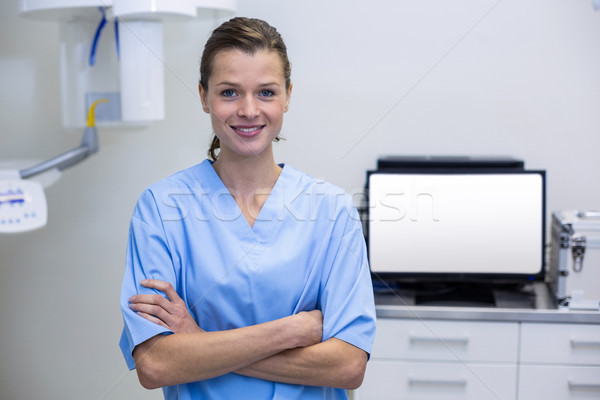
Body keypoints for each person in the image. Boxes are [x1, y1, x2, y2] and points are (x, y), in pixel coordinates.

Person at [119, 17, 376, 400]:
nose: (249, 110)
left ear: (288, 95)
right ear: (204, 96)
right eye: (229, 93)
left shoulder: (332, 210)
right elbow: (156, 364)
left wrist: (200, 341)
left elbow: (348, 366)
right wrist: (289, 331)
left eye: (267, 92)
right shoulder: (161, 208)